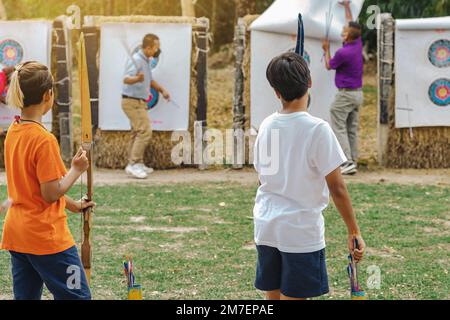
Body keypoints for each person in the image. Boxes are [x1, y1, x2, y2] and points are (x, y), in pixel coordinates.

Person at [253, 52, 365, 300]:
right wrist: (353, 230)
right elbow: (337, 187)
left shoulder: (266, 126)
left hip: (266, 227)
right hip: (300, 232)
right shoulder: (318, 129)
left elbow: (262, 178)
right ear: (310, 82)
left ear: (276, 92)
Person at [0, 61, 95, 300]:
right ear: (48, 95)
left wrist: (74, 205)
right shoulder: (44, 140)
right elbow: (50, 193)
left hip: (18, 234)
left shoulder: (14, 129)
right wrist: (76, 169)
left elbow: (32, 188)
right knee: (79, 298)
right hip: (45, 238)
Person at [322, 0, 364, 175]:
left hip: (346, 95)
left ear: (348, 36)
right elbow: (350, 23)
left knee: (337, 123)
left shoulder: (343, 52)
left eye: (344, 31)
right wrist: (347, 7)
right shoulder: (357, 43)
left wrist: (326, 49)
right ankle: (352, 160)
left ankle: (346, 161)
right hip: (358, 95)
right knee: (351, 128)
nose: (342, 31)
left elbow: (329, 65)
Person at [122, 33, 170, 179]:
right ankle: (133, 164)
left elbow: (150, 80)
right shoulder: (136, 59)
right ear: (148, 47)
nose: (157, 50)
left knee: (137, 132)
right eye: (156, 48)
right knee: (145, 131)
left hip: (139, 102)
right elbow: (126, 79)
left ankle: (137, 162)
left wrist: (162, 90)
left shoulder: (145, 61)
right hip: (132, 102)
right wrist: (137, 78)